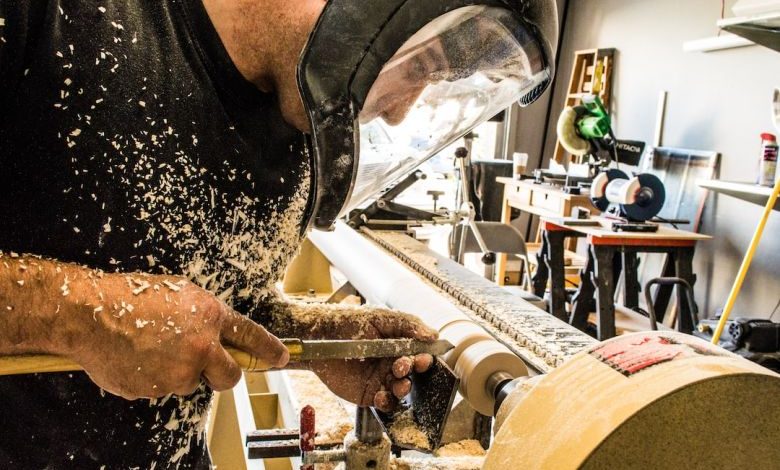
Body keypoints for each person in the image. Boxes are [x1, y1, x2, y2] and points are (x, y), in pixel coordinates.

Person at [0, 0, 438, 467]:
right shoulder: (55, 18)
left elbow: (209, 302)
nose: (399, 113)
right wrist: (91, 315)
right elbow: (128, 311)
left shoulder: (302, 127)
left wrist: (310, 340)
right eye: (417, 63)